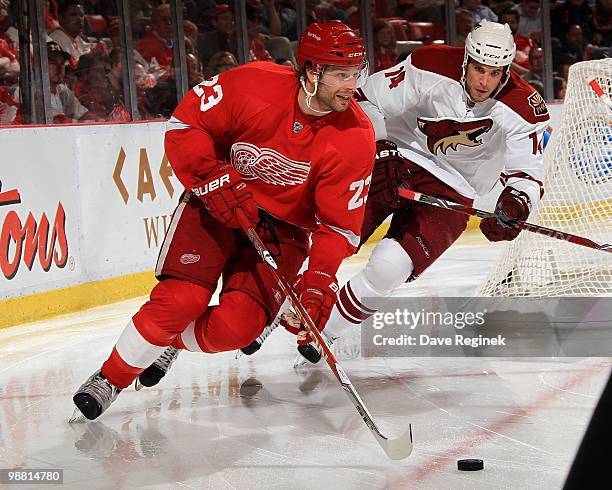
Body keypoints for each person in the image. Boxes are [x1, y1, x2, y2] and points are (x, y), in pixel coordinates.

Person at [71, 20, 376, 420]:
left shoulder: (356, 134)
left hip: (282, 230)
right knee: (182, 299)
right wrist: (210, 177)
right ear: (311, 72)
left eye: (356, 73)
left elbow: (338, 226)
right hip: (217, 198)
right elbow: (185, 124)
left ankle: (164, 343)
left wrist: (318, 281)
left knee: (237, 328)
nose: (351, 85)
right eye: (341, 74)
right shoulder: (253, 83)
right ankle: (110, 377)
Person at [249, 19, 551, 363]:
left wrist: (516, 205)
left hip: (456, 189)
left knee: (390, 266)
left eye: (495, 73)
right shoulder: (429, 64)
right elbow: (366, 99)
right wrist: (379, 147)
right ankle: (273, 311)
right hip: (397, 157)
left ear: (507, 70)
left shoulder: (525, 106)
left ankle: (324, 331)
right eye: (479, 69)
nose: (484, 81)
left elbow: (529, 172)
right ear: (466, 59)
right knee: (336, 237)